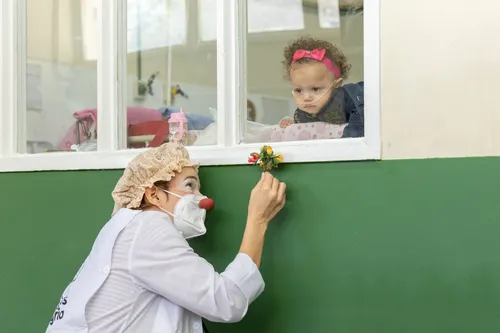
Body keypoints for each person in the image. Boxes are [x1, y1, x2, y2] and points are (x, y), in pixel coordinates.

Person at [45, 143, 286, 333]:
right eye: (190, 186)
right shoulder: (148, 228)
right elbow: (227, 302)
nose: (202, 199)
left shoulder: (126, 227)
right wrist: (258, 220)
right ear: (154, 195)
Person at [279, 36, 365, 138]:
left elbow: (364, 111)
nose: (306, 98)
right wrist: (290, 123)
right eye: (299, 90)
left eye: (315, 89)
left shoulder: (348, 96)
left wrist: (348, 139)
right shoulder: (303, 112)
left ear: (336, 85)